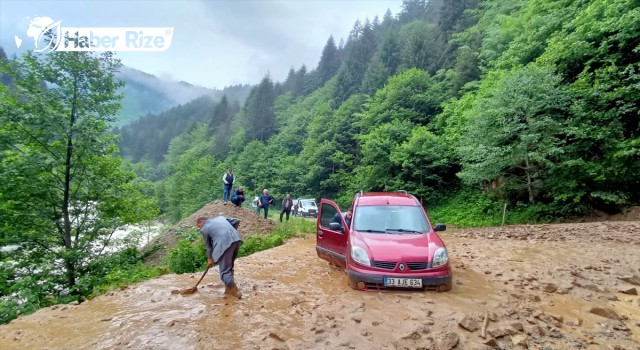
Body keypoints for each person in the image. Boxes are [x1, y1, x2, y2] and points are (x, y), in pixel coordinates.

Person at [197, 216, 243, 299]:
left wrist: (210, 258)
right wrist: (229, 232)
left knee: (224, 272)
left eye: (199, 226)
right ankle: (228, 290)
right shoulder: (220, 218)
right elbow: (236, 220)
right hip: (236, 239)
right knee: (229, 267)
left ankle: (235, 291)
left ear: (201, 222)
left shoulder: (204, 228)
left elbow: (209, 247)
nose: (199, 228)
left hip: (224, 244)